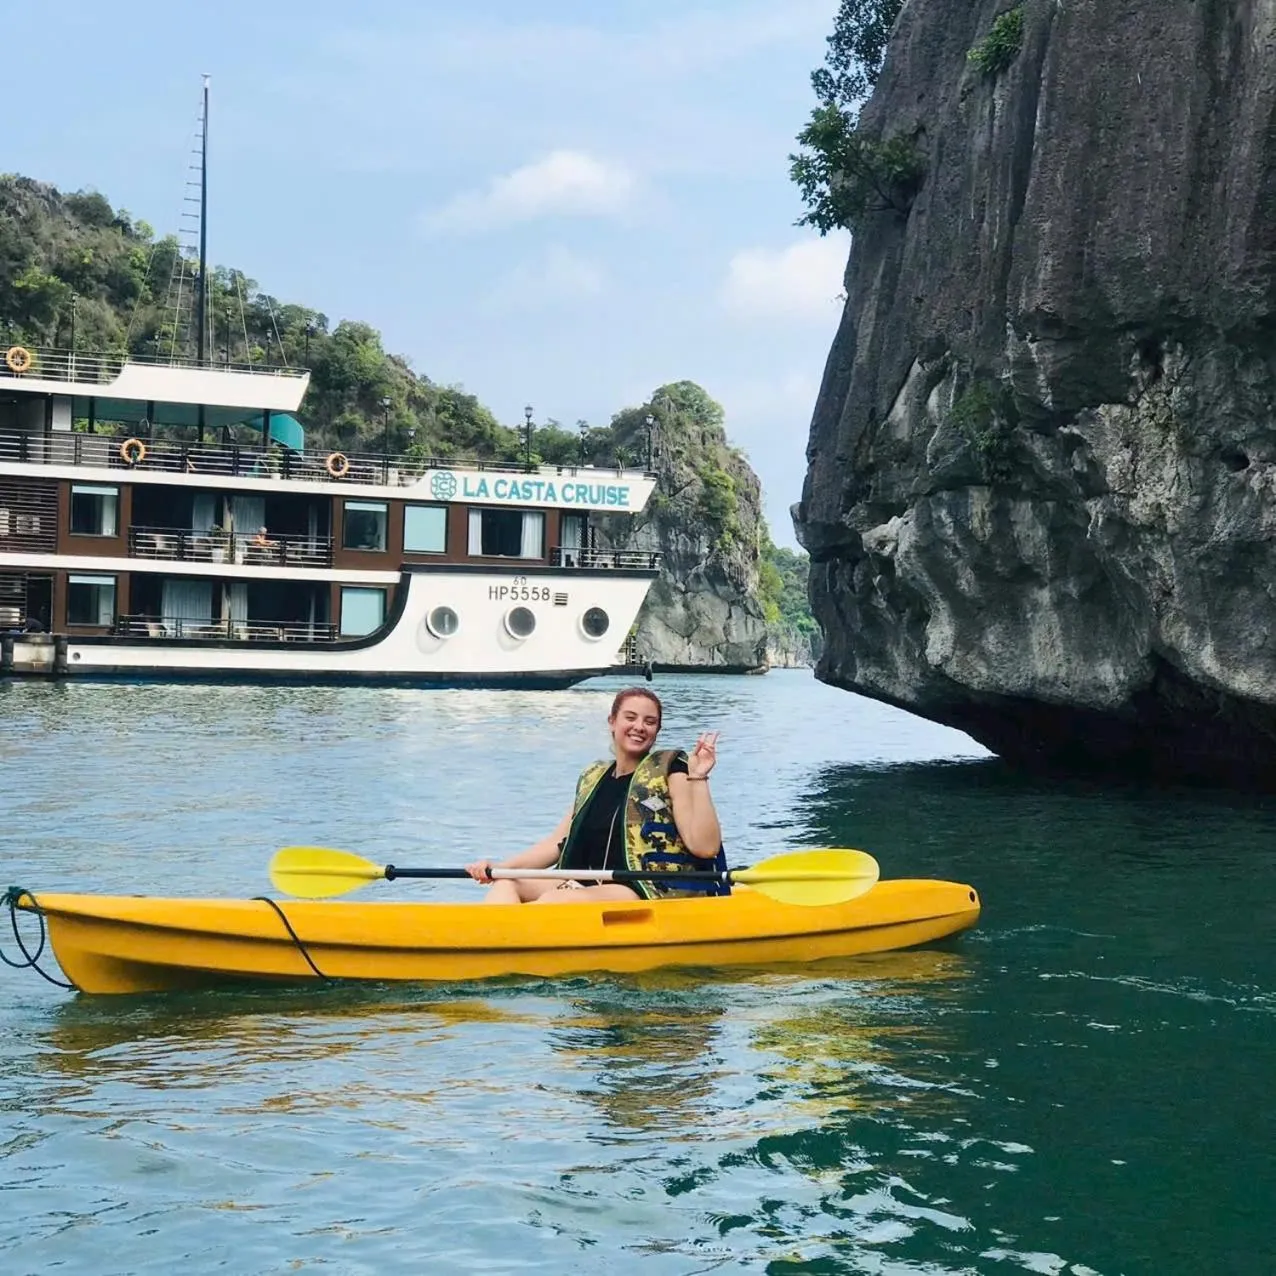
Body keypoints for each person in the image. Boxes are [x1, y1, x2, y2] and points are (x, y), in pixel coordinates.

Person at [464, 687, 724, 904]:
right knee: (505, 884)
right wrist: (498, 869)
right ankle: (496, 949)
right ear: (612, 722)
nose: (639, 727)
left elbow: (705, 846)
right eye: (630, 717)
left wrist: (699, 776)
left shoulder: (672, 770)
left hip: (642, 887)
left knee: (553, 901)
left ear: (657, 730)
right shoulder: (593, 777)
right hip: (585, 883)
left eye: (649, 722)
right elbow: (556, 843)